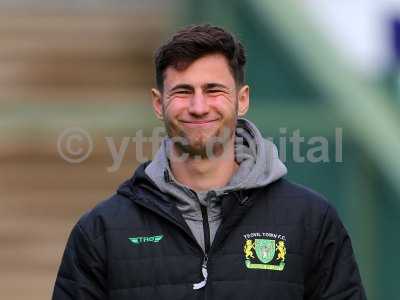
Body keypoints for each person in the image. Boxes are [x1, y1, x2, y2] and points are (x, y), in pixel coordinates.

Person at [52, 24, 366, 299]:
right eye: (183, 91)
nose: (199, 107)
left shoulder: (310, 220)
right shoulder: (102, 231)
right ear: (159, 104)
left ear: (242, 99)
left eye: (213, 90)